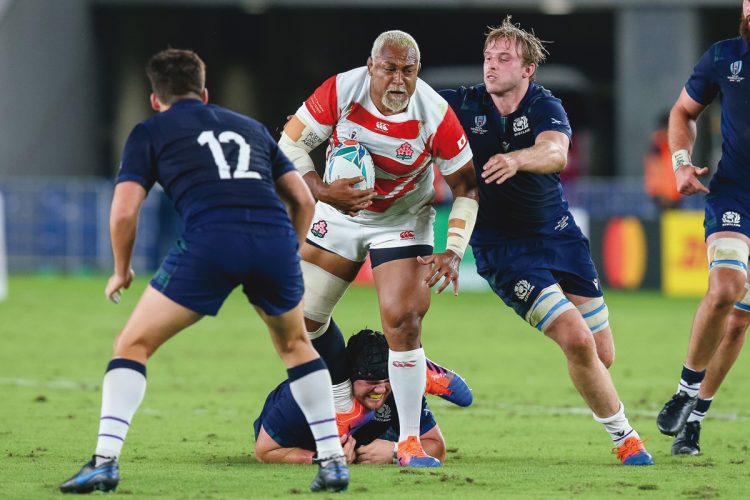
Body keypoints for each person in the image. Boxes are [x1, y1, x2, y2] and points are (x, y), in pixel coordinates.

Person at [59, 49, 349, 494]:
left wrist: (121, 269)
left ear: (155, 99)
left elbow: (123, 212)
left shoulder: (150, 131)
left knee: (132, 344)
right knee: (295, 346)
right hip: (272, 237)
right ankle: (332, 463)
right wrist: (289, 252)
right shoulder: (249, 127)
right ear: (205, 92)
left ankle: (104, 462)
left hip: (212, 240)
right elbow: (304, 201)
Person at [438, 17, 653, 465]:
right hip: (504, 251)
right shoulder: (461, 105)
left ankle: (597, 393)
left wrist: (517, 159)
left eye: (504, 59)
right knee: (577, 340)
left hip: (559, 237)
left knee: (602, 354)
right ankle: (626, 439)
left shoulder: (544, 105)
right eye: (488, 58)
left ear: (528, 69)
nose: (491, 67)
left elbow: (556, 151)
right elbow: (406, 104)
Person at [278, 30, 478, 468]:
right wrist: (322, 191)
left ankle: (409, 442)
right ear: (371, 66)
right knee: (300, 318)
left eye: (407, 70)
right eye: (389, 68)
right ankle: (362, 388)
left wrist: (454, 248)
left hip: (403, 220)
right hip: (340, 212)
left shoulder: (435, 114)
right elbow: (288, 147)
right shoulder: (339, 91)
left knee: (402, 320)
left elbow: (466, 185)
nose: (398, 80)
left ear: (417, 72)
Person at [657, 0, 750, 456]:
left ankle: (693, 420)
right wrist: (679, 164)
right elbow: (682, 113)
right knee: (727, 285)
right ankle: (684, 388)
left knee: (737, 325)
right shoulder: (723, 56)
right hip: (734, 194)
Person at [254, 329, 472, 465]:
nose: (379, 389)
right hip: (301, 437)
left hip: (370, 433)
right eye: (370, 381)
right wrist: (320, 458)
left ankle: (412, 364)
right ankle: (415, 364)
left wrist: (395, 452)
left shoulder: (398, 388)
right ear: (349, 377)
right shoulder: (302, 396)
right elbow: (265, 451)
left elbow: (437, 447)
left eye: (385, 379)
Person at [644, 112, 682, 211]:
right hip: (662, 200)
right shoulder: (657, 147)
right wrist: (660, 195)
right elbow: (654, 172)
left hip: (675, 198)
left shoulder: (674, 145)